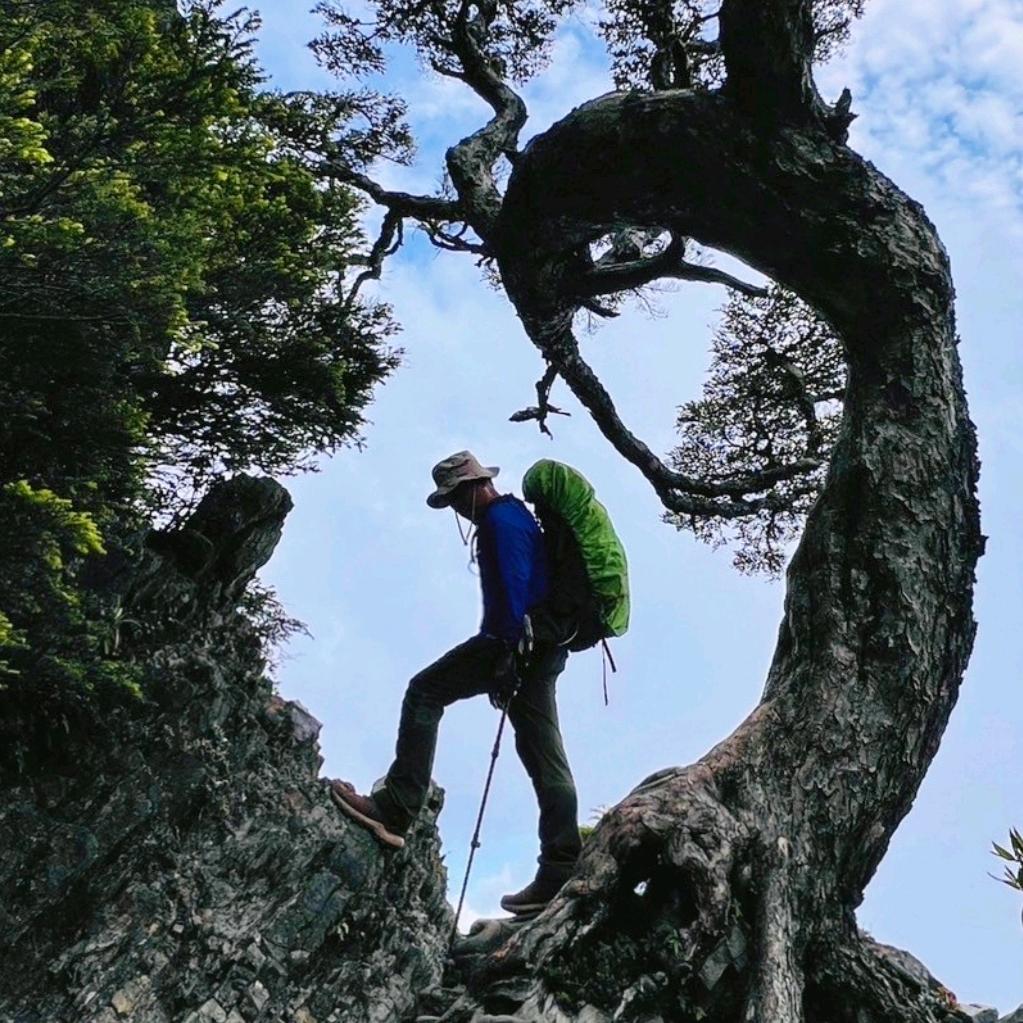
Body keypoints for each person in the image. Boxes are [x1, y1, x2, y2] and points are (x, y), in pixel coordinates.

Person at [330, 450, 582, 915]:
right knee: (541, 748)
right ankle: (561, 868)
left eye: (454, 499)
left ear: (472, 487)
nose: (456, 510)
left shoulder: (499, 523)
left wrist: (504, 656)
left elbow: (511, 590)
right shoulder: (516, 517)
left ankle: (396, 808)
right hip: (542, 644)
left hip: (516, 641)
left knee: (424, 692)